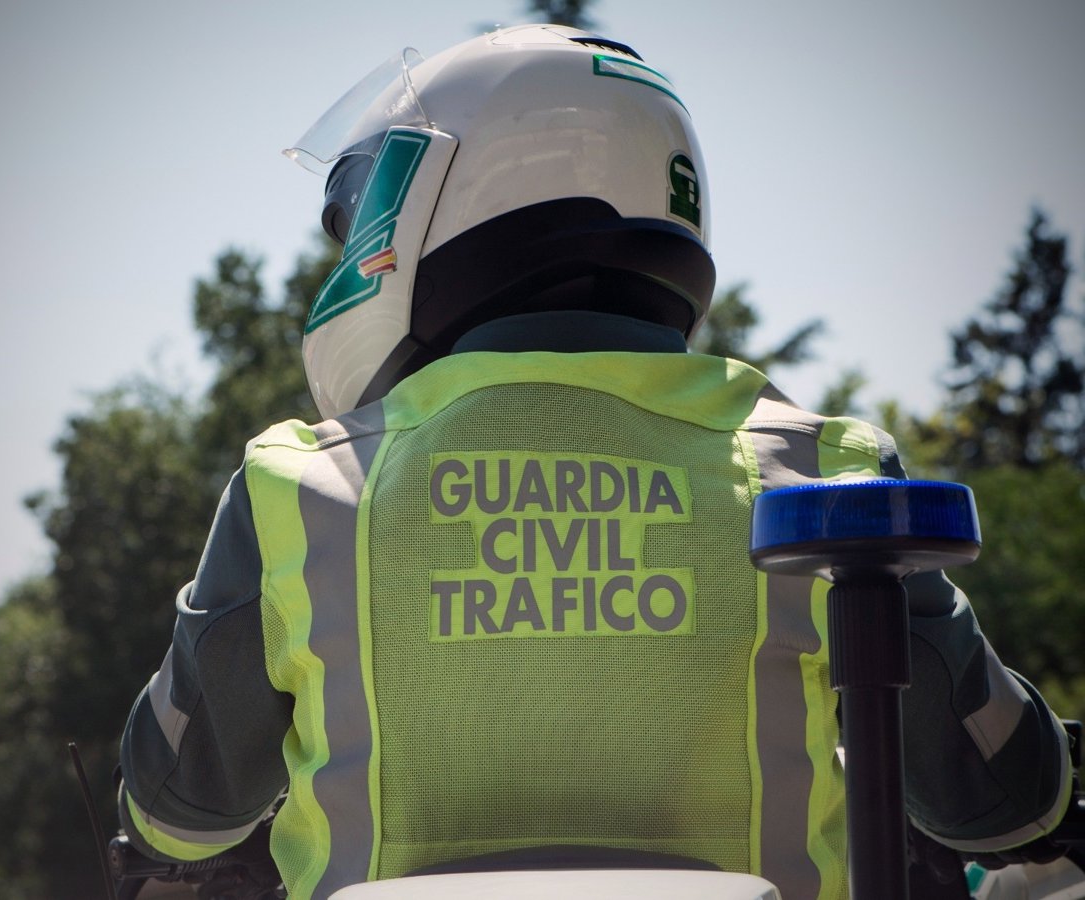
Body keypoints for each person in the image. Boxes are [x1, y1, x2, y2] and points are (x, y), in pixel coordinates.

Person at [117, 24, 1072, 900]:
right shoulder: (828, 474)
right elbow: (1003, 801)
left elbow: (177, 813)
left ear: (441, 197)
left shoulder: (300, 490)